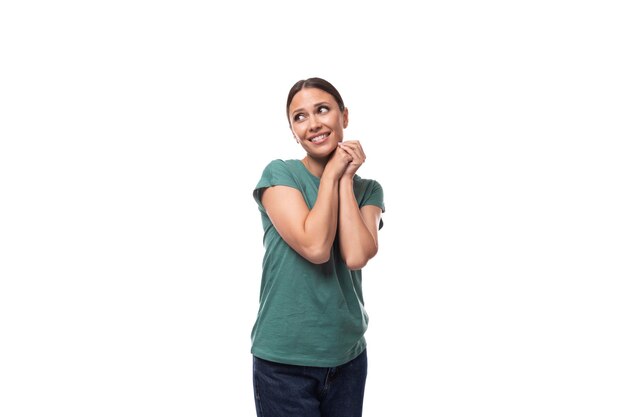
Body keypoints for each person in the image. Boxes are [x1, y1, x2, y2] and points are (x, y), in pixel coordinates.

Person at [251, 77, 385, 417]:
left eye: (322, 110)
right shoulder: (280, 175)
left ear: (344, 116)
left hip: (347, 357)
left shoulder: (368, 191)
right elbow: (315, 246)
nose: (313, 124)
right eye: (299, 117)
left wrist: (343, 178)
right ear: (293, 131)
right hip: (285, 361)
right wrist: (330, 175)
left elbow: (356, 255)